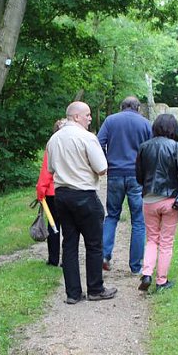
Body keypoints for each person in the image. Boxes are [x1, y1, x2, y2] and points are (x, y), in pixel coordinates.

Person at [46, 102, 117, 304]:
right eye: (87, 115)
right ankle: (95, 289)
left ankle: (73, 293)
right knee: (94, 244)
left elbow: (51, 169)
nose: (90, 118)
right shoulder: (87, 138)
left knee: (69, 244)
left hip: (61, 196)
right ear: (76, 116)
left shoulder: (53, 139)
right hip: (84, 194)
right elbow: (102, 168)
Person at [135, 114, 178, 293]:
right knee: (166, 242)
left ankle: (146, 273)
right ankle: (161, 281)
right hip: (170, 200)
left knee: (152, 239)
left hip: (149, 200)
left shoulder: (144, 147)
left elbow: (139, 177)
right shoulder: (177, 147)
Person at [97, 96, 152, 274]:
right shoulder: (145, 124)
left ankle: (104, 255)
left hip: (114, 174)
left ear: (122, 107)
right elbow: (152, 148)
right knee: (138, 221)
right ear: (138, 108)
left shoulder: (110, 121)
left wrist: (106, 163)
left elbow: (98, 143)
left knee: (112, 216)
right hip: (137, 176)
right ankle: (136, 266)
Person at [35, 119, 66, 267]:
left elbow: (46, 171)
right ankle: (67, 259)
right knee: (68, 227)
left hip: (53, 192)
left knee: (53, 226)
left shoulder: (52, 145)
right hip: (69, 189)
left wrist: (40, 191)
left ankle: (53, 259)